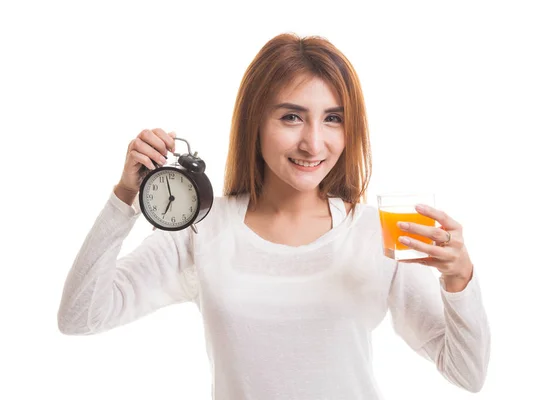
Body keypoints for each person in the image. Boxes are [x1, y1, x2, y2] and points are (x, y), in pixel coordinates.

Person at [57, 32, 491, 399]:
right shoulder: (202, 232)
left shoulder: (376, 234)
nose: (314, 144)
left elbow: (467, 373)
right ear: (255, 122)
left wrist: (459, 279)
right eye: (291, 117)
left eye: (333, 119)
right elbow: (80, 317)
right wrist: (125, 197)